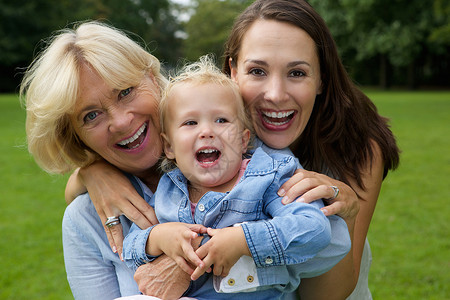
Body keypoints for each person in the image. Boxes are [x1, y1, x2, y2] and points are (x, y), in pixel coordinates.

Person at [122, 56, 349, 299]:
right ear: (169, 147)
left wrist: (243, 240)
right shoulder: (169, 189)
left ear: (243, 140)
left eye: (221, 120)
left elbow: (314, 229)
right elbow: (129, 249)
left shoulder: (266, 178)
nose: (207, 131)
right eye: (190, 122)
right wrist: (157, 237)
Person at [221, 0, 400, 298]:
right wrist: (111, 176)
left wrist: (347, 213)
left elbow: (325, 296)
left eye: (297, 73)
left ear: (321, 79)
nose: (276, 95)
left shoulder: (358, 148)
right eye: (257, 71)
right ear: (233, 71)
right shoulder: (202, 137)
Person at [19, 21, 191, 299]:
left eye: (126, 91)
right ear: (74, 136)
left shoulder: (234, 159)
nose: (121, 122)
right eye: (91, 115)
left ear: (151, 77)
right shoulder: (84, 220)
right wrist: (89, 171)